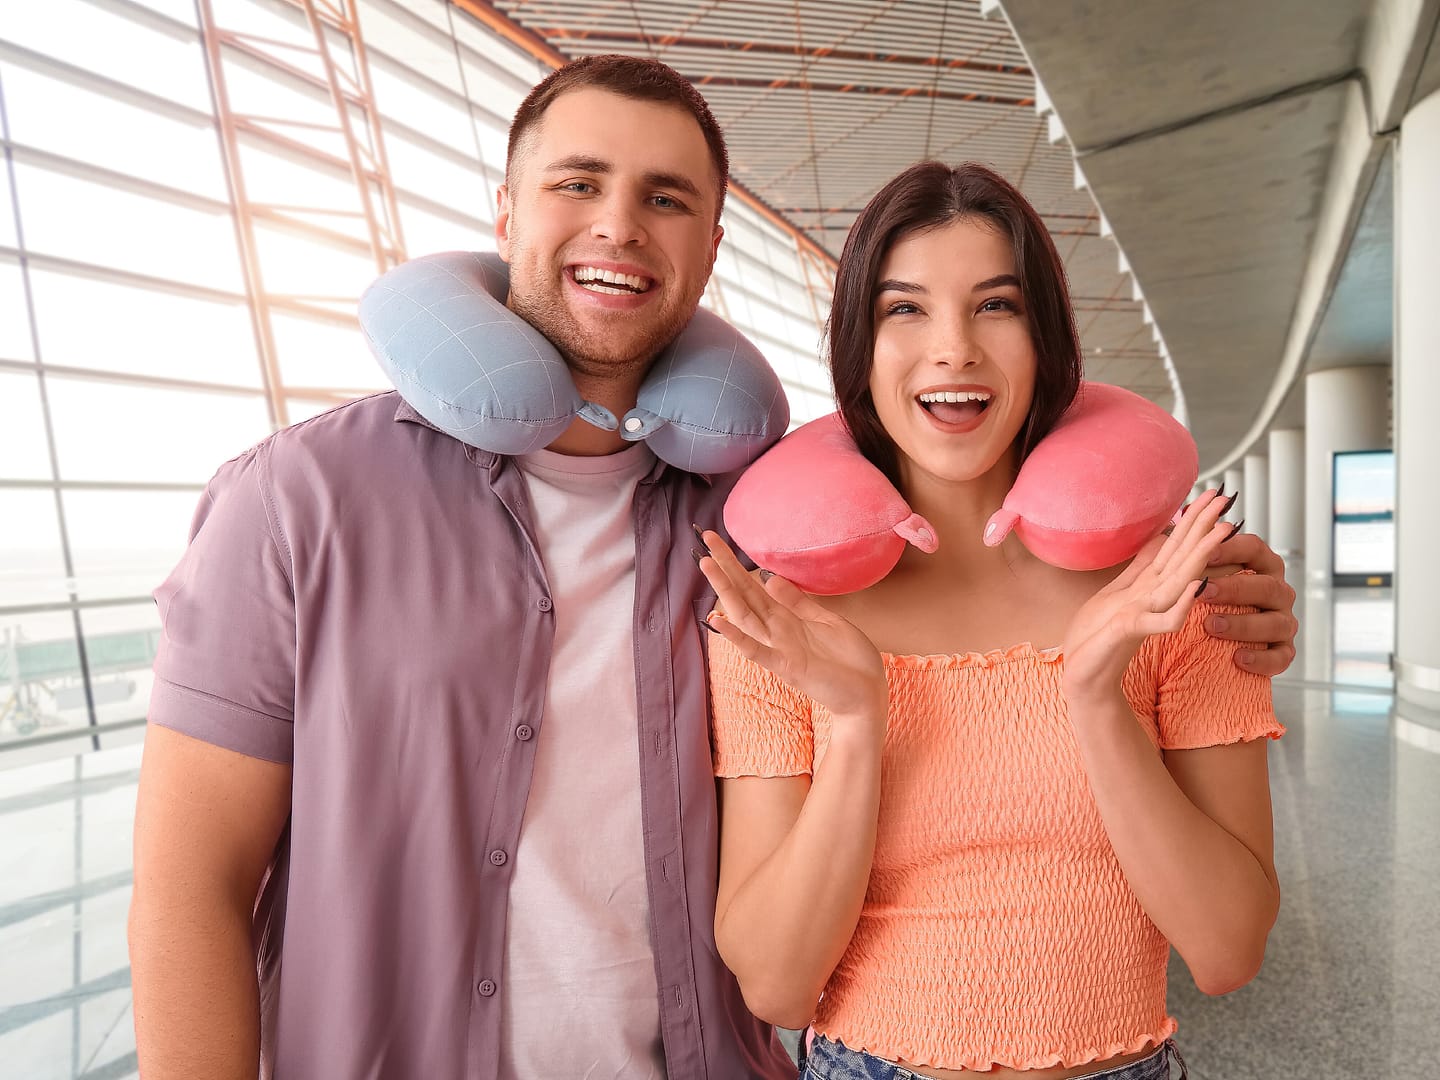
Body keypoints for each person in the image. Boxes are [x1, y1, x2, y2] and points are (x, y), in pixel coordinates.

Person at [127, 55, 1297, 1079]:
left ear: (710, 245)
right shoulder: (302, 502)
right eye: (578, 182)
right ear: (506, 209)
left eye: (666, 197)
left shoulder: (746, 534)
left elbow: (1226, 934)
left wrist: (1221, 604)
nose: (620, 226)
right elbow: (189, 889)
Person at [698, 162, 1284, 1080]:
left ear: (1046, 340)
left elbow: (1227, 950)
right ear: (858, 347)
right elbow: (776, 984)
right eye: (905, 309)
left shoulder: (1173, 589)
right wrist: (855, 723)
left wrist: (1095, 701)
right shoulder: (783, 620)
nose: (954, 349)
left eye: (996, 305)